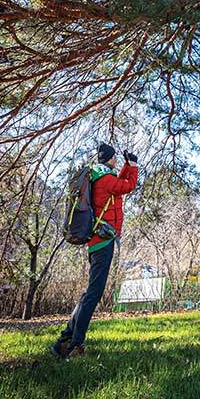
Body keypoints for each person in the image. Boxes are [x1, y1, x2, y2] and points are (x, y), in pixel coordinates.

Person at [51, 142, 138, 358]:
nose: (116, 160)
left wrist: (127, 166)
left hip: (97, 242)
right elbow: (128, 186)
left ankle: (63, 341)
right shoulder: (105, 179)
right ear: (109, 158)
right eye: (115, 157)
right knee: (93, 294)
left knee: (90, 293)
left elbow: (119, 183)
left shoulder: (100, 176)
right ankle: (75, 344)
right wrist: (134, 167)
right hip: (103, 242)